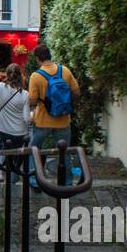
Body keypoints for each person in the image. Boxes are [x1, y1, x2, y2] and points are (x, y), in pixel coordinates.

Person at [27, 44, 81, 189]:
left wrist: (40, 101)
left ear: (38, 59)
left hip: (43, 121)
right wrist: (66, 104)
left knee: (34, 149)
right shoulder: (65, 71)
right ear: (50, 56)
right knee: (65, 151)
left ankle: (34, 180)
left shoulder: (36, 76)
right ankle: (67, 182)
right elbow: (76, 92)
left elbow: (32, 100)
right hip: (63, 120)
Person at [0, 64, 30, 175]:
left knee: (3, 149)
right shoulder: (25, 94)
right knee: (16, 155)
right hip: (19, 131)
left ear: (7, 75)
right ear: (20, 76)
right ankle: (13, 178)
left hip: (2, 128)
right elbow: (27, 118)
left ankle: (0, 174)